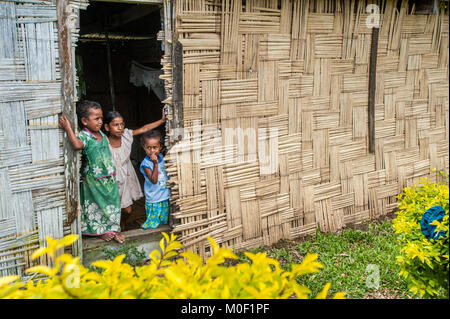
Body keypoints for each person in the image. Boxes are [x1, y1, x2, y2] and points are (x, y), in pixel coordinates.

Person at [58, 100, 124, 244]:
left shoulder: (101, 133)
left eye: (101, 118)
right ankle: (99, 232)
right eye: (96, 118)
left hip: (108, 178)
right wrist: (68, 128)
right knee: (96, 205)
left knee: (112, 204)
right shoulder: (85, 135)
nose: (100, 121)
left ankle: (113, 229)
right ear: (84, 121)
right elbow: (76, 145)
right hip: (94, 180)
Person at [103, 108, 165, 231]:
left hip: (126, 175)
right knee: (111, 207)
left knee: (127, 209)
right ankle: (111, 229)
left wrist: (162, 120)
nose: (120, 127)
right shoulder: (102, 141)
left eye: (122, 124)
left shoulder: (126, 135)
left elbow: (144, 129)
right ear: (107, 127)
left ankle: (122, 224)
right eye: (116, 125)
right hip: (111, 177)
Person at [139, 130, 171, 229]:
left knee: (164, 221)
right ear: (144, 148)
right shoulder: (146, 164)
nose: (152, 151)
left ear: (160, 147)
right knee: (152, 224)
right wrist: (155, 164)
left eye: (155, 147)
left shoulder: (161, 156)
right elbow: (154, 180)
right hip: (154, 199)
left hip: (165, 196)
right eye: (148, 148)